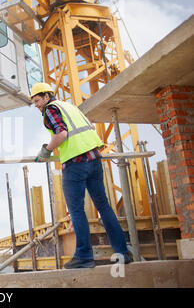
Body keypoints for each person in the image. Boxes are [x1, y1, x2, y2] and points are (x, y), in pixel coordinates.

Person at [30, 82, 131, 269]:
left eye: (37, 100)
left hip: (75, 164)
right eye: (34, 102)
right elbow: (90, 126)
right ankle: (122, 252)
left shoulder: (50, 110)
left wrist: (46, 150)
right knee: (104, 206)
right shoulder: (69, 106)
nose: (36, 105)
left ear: (46, 96)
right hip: (94, 159)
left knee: (76, 210)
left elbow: (61, 134)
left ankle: (84, 256)